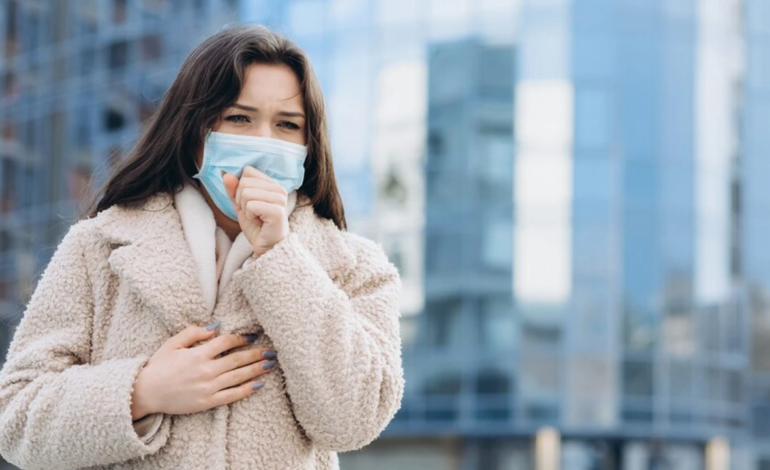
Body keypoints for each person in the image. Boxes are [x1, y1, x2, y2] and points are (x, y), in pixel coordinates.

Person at [0, 25, 403, 470]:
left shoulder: (356, 266)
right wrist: (141, 391)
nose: (263, 142)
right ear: (194, 131)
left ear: (309, 145)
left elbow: (355, 420)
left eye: (287, 125)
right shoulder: (99, 246)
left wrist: (280, 256)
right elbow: (13, 418)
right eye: (238, 118)